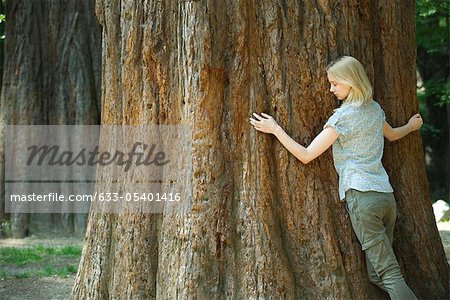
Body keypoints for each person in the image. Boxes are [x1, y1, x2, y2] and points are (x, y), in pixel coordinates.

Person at [249, 56, 422, 300]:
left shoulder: (341, 119)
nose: (331, 89)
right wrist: (411, 127)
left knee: (390, 274)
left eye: (335, 83)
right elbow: (392, 135)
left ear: (351, 82)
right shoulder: (374, 109)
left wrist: (275, 129)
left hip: (362, 200)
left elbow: (307, 154)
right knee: (377, 275)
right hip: (385, 199)